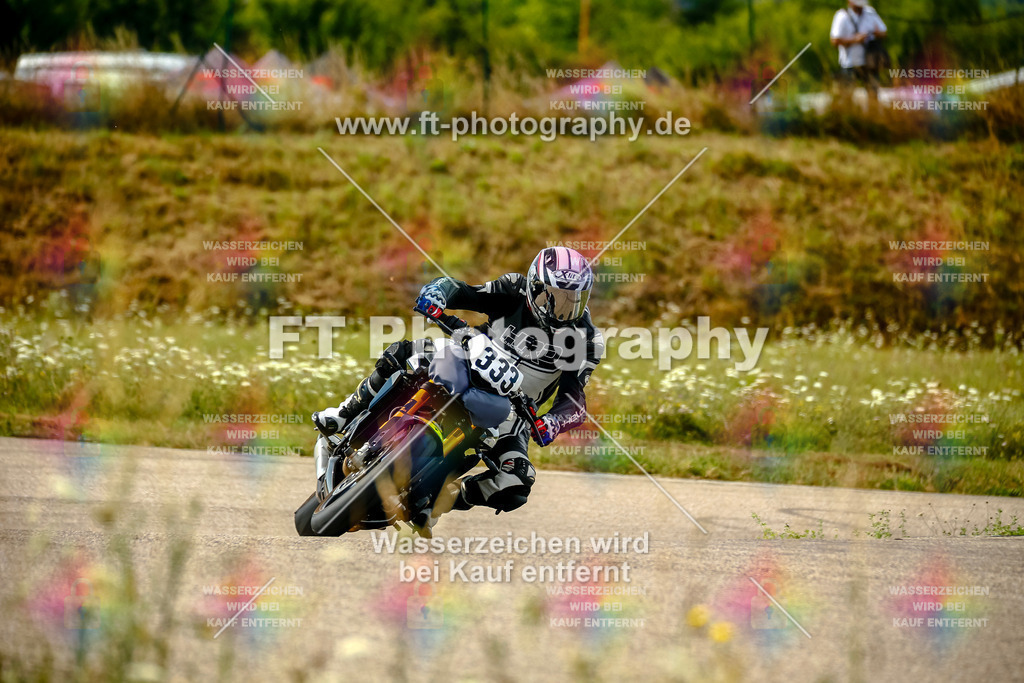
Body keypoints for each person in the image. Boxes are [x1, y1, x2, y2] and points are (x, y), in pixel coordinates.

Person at [313, 246, 604, 516]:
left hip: (514, 414)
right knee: (404, 353)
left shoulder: (586, 339)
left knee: (517, 482)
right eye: (553, 297)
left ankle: (443, 498)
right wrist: (438, 293)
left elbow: (574, 401)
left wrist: (552, 422)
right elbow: (465, 292)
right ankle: (343, 414)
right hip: (467, 362)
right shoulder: (513, 288)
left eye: (574, 301)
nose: (562, 311)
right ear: (534, 286)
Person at [830, 0, 888, 103]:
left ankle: (872, 112)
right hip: (849, 63)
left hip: (870, 62)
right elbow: (834, 40)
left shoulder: (870, 12)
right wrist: (855, 40)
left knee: (873, 95)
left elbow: (883, 32)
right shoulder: (842, 15)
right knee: (847, 97)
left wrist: (873, 33)